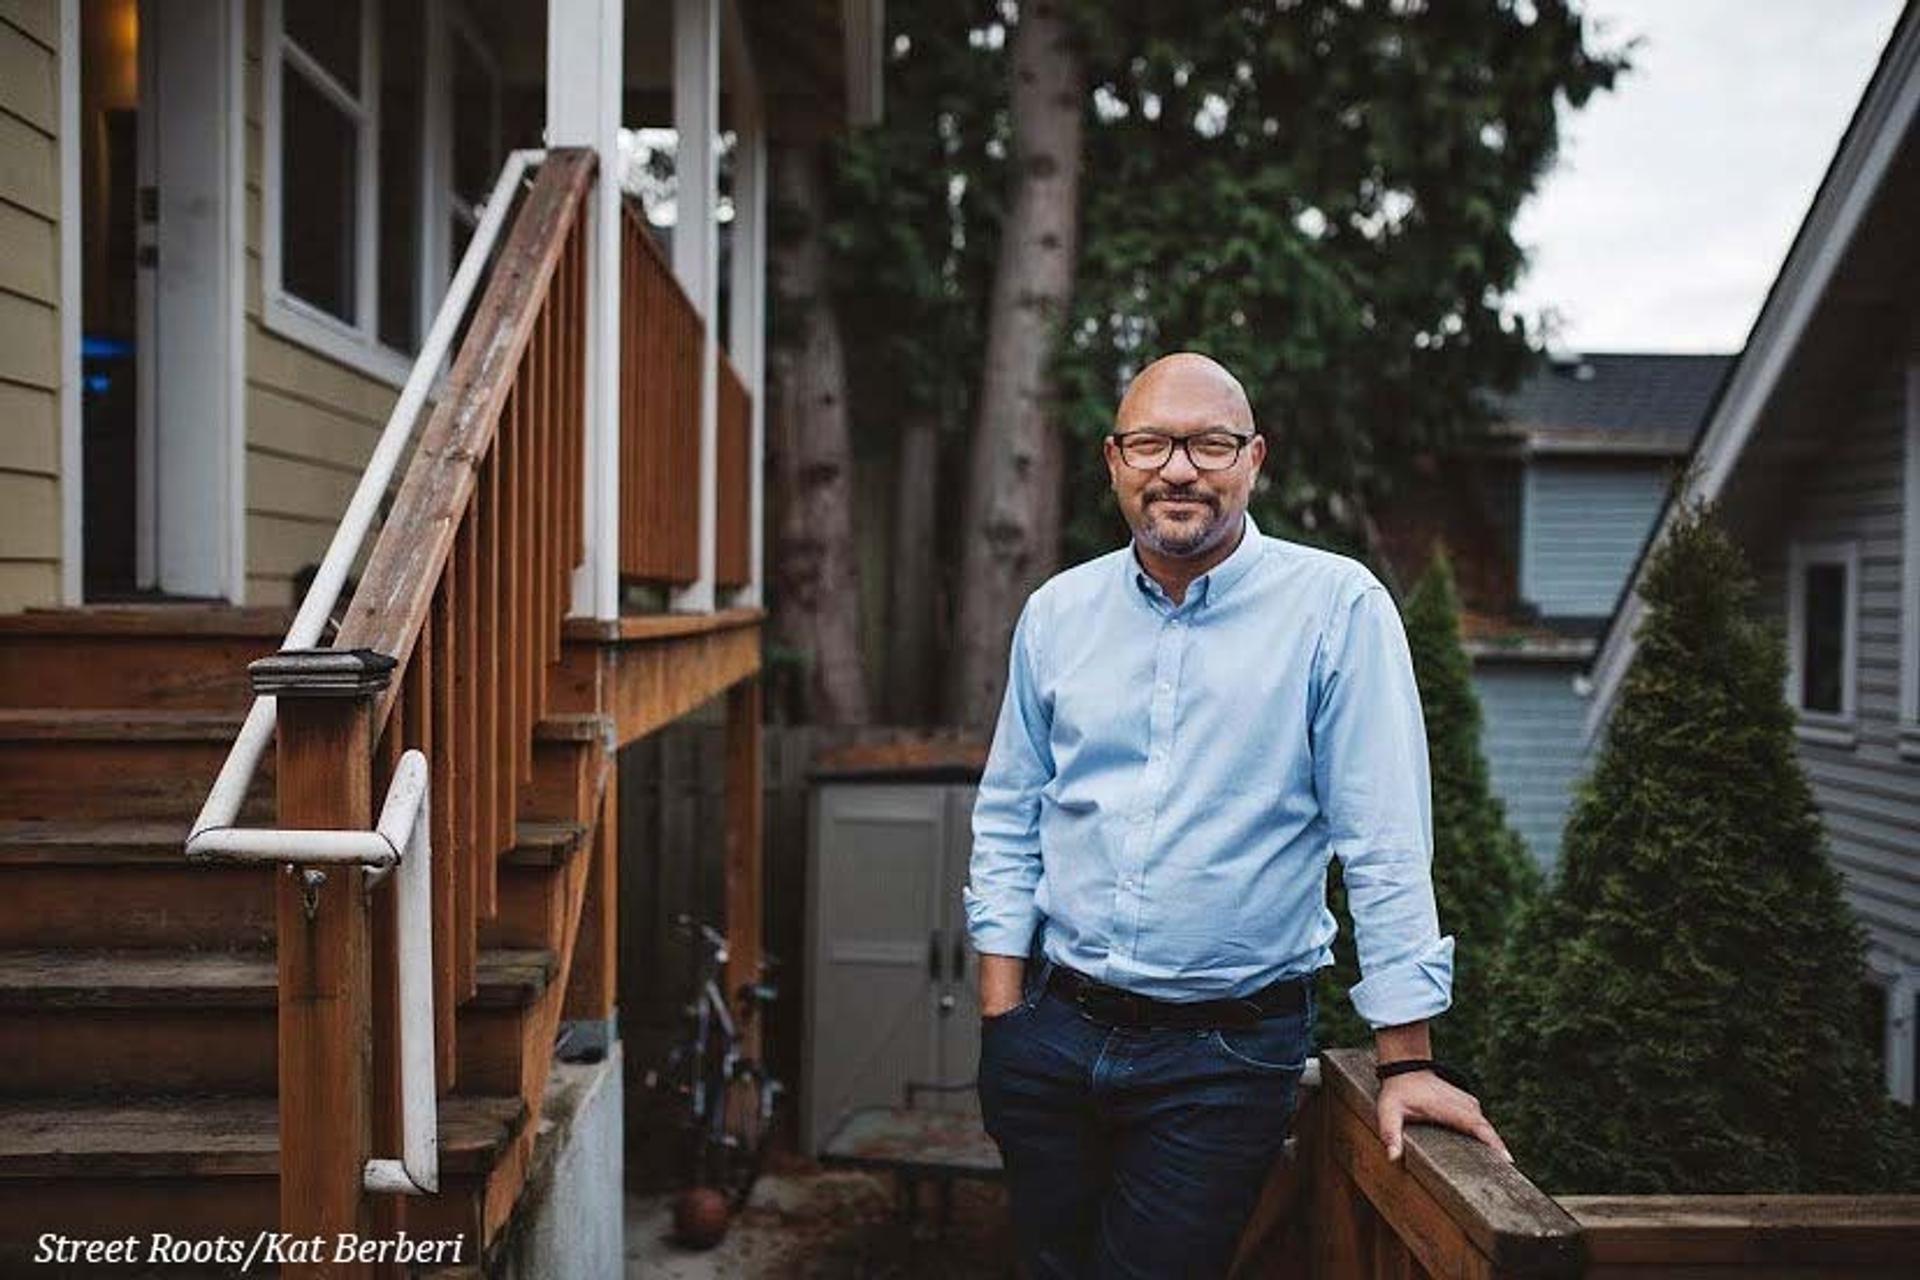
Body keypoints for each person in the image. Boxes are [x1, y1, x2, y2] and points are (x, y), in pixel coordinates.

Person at [965, 352, 1512, 1278]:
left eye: (1208, 444)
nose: (1177, 468)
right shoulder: (1058, 613)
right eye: (1150, 443)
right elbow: (1011, 812)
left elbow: (1381, 842)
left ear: (1253, 458)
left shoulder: (1336, 610)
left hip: (1220, 1057)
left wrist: (1407, 1062)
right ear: (1113, 461)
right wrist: (1002, 1018)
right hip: (1050, 1038)